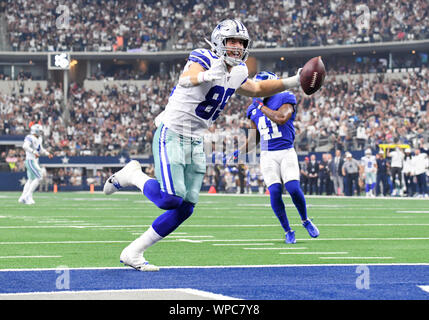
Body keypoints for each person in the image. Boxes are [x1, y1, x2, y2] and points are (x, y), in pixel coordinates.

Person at [103, 19, 305, 271]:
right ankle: (133, 176)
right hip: (173, 133)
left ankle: (133, 252)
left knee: (185, 208)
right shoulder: (204, 57)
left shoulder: (239, 70)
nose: (237, 47)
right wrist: (207, 75)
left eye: (241, 43)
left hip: (195, 140)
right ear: (219, 41)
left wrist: (295, 80)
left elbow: (256, 88)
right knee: (169, 200)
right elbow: (187, 78)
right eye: (232, 41)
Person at [226, 71, 319, 244]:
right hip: (267, 154)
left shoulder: (284, 97)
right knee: (275, 192)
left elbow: (282, 118)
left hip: (286, 151)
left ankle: (305, 219)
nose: (257, 90)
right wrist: (239, 152)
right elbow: (255, 137)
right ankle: (288, 230)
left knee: (292, 188)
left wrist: (261, 106)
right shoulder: (252, 108)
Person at [18, 124, 53, 204]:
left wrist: (48, 154)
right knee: (39, 176)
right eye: (40, 131)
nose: (41, 132)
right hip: (30, 160)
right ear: (35, 131)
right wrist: (33, 152)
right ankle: (28, 196)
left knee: (30, 180)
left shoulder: (39, 138)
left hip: (34, 161)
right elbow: (25, 146)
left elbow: (40, 149)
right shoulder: (29, 137)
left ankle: (22, 197)